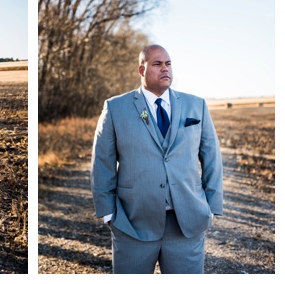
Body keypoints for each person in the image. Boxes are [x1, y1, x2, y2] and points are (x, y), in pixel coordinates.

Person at [90, 44, 223, 274]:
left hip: (186, 224)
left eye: (168, 64)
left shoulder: (196, 105)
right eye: (157, 64)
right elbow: (102, 161)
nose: (165, 69)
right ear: (142, 70)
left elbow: (211, 156)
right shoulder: (115, 108)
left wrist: (211, 206)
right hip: (132, 223)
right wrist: (108, 212)